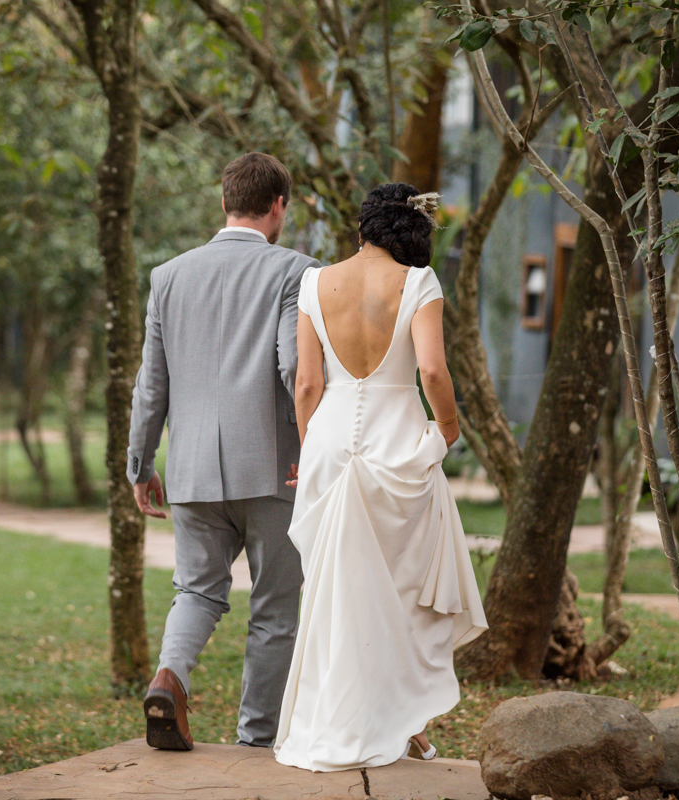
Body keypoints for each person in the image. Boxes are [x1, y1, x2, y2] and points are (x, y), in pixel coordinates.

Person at [273, 183, 488, 772]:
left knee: (338, 591)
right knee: (403, 592)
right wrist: (447, 426)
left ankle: (381, 722)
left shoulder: (313, 284)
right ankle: (404, 721)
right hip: (400, 445)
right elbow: (431, 368)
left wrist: (310, 447)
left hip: (330, 440)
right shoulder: (419, 283)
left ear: (361, 228)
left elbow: (308, 386)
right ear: (410, 232)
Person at [127, 152, 320, 751]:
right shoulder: (297, 272)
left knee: (198, 591)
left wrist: (140, 464)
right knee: (275, 610)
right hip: (275, 470)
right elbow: (296, 369)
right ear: (279, 206)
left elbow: (150, 384)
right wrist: (318, 450)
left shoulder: (168, 276)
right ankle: (254, 744)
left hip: (188, 472)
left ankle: (170, 677)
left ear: (223, 202)